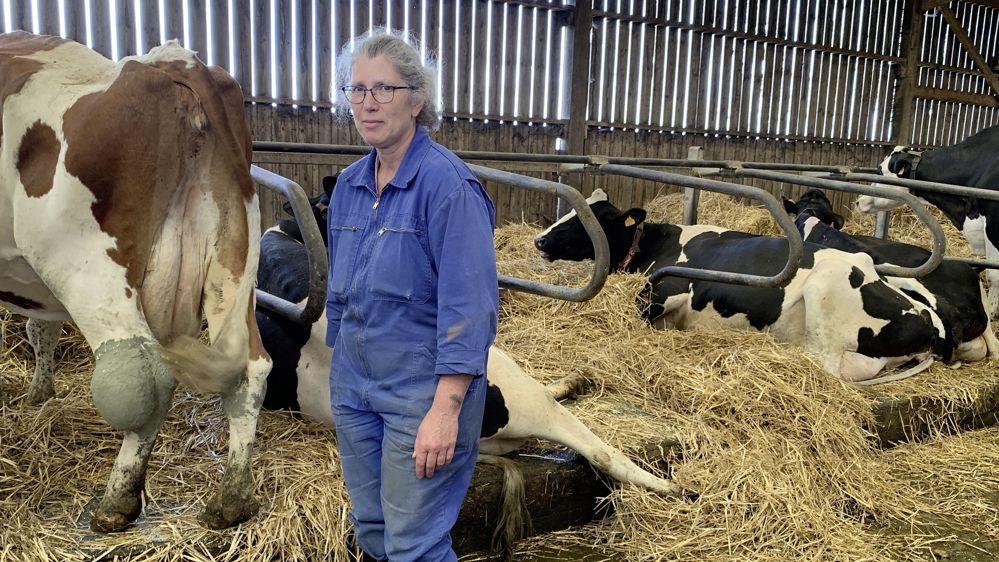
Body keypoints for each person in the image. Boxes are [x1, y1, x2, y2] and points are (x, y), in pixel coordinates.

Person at [325, 28, 499, 562]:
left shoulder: (448, 188)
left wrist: (445, 410)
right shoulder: (350, 186)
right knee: (373, 528)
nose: (367, 103)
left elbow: (470, 311)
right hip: (356, 391)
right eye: (357, 90)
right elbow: (341, 294)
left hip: (420, 398)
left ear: (417, 100)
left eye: (384, 89)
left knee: (414, 546)